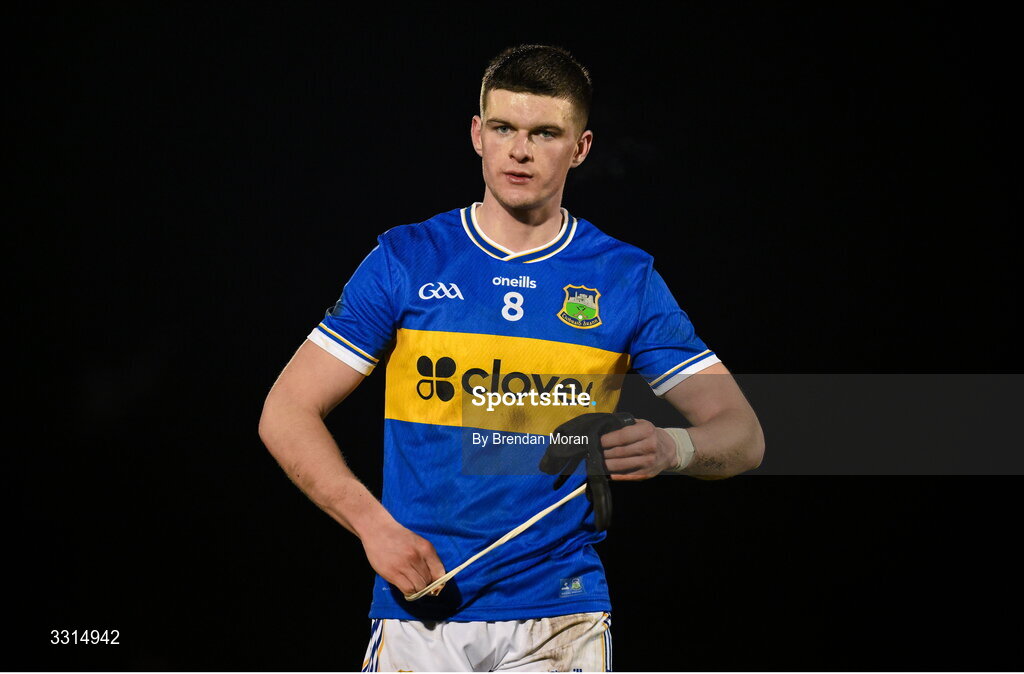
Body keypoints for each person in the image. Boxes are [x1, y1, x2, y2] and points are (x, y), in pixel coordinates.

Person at [259, 44, 764, 672]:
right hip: (422, 612)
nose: (519, 151)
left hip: (563, 614)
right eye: (503, 128)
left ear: (580, 147)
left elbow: (743, 435)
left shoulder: (624, 277)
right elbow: (285, 411)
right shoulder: (407, 259)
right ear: (477, 133)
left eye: (544, 133)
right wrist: (373, 527)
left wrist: (673, 449)